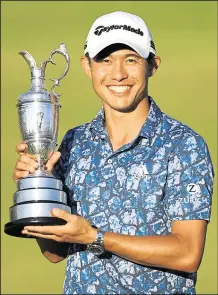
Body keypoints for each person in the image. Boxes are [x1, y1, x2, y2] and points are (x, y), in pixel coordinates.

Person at [13, 11, 214, 295]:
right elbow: (55, 253)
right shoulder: (74, 142)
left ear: (152, 65)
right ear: (87, 66)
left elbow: (187, 253)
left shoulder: (184, 145)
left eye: (131, 59)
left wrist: (95, 238)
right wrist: (35, 187)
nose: (118, 73)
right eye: (105, 60)